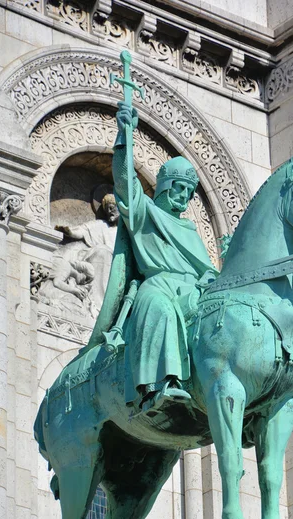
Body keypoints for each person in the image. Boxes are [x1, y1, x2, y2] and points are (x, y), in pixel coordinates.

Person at [88, 103, 218, 411]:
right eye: (179, 187)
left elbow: (206, 269)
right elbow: (124, 182)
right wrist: (124, 136)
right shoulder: (144, 212)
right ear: (165, 185)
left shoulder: (189, 229)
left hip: (191, 291)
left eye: (189, 192)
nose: (183, 196)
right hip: (157, 287)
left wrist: (212, 280)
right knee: (161, 308)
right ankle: (159, 387)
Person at [55, 194, 119, 313]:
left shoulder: (128, 234)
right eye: (107, 208)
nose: (109, 211)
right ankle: (98, 305)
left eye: (112, 207)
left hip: (119, 269)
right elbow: (82, 230)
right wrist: (69, 231)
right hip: (99, 262)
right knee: (102, 252)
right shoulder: (100, 225)